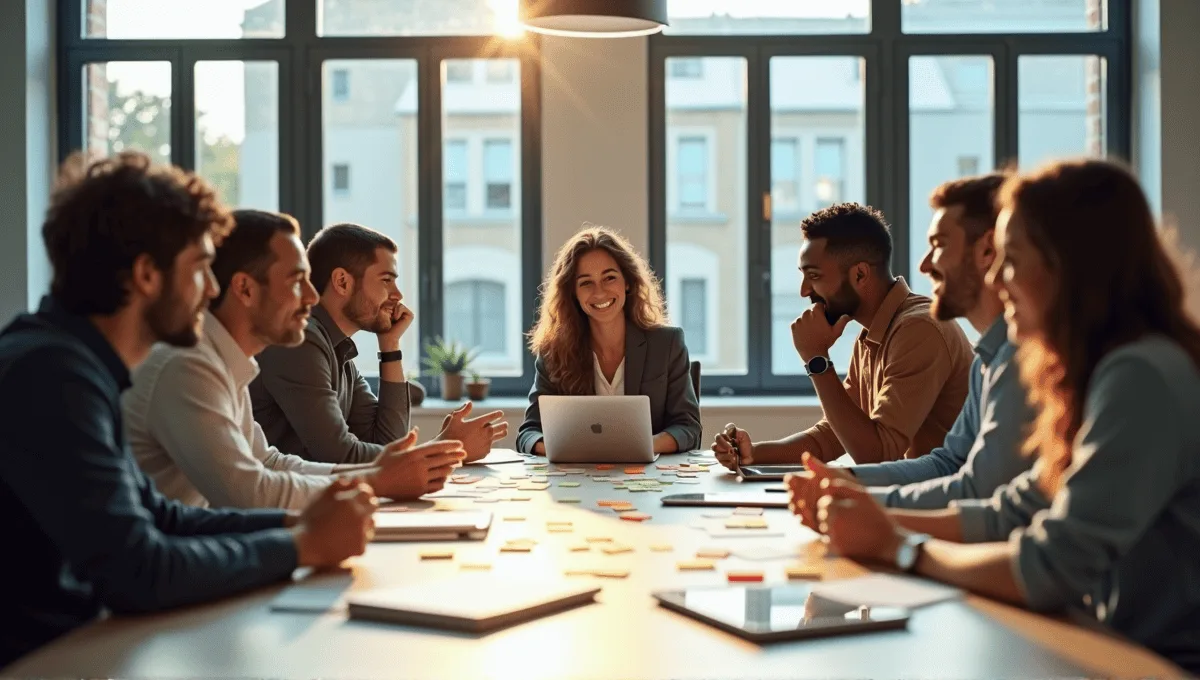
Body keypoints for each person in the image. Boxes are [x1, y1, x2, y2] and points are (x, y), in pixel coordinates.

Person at [792, 159, 1200, 672]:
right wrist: (865, 515)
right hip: (1101, 640)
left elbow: (1049, 563)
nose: (999, 282)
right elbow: (1018, 505)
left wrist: (899, 545)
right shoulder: (1095, 370)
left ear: (1067, 263)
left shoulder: (1139, 375)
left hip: (1153, 662)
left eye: (1012, 260)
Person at [0, 152, 377, 668]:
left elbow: (161, 517)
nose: (215, 289)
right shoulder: (53, 376)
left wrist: (296, 521)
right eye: (201, 268)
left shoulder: (71, 362)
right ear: (146, 274)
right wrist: (302, 545)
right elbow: (139, 570)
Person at [123, 209, 465, 509]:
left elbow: (268, 462)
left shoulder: (227, 363)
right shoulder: (189, 365)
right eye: (298, 281)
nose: (313, 296)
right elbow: (246, 492)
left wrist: (376, 474)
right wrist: (377, 480)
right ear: (244, 289)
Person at [793, 175, 1033, 509]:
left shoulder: (1018, 361)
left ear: (987, 251)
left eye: (939, 245)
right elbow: (950, 463)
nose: (924, 265)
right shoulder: (987, 360)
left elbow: (980, 494)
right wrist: (847, 483)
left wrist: (816, 359)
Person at [713, 203, 973, 467]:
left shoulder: (919, 330)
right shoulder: (873, 334)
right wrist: (753, 453)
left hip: (944, 501)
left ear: (860, 274)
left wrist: (816, 359)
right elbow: (830, 438)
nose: (804, 291)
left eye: (813, 275)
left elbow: (878, 455)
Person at [250, 223, 507, 465]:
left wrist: (390, 344)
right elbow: (338, 454)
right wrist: (445, 447)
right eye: (386, 280)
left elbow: (387, 440)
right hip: (281, 506)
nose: (398, 294)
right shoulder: (302, 341)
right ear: (342, 282)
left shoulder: (340, 352)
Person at [517, 226, 702, 455]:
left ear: (627, 282)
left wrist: (638, 447)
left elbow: (689, 428)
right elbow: (528, 433)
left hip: (648, 480)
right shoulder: (554, 352)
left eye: (609, 278)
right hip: (579, 481)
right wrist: (565, 451)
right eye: (586, 282)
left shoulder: (667, 343)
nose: (600, 292)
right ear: (573, 292)